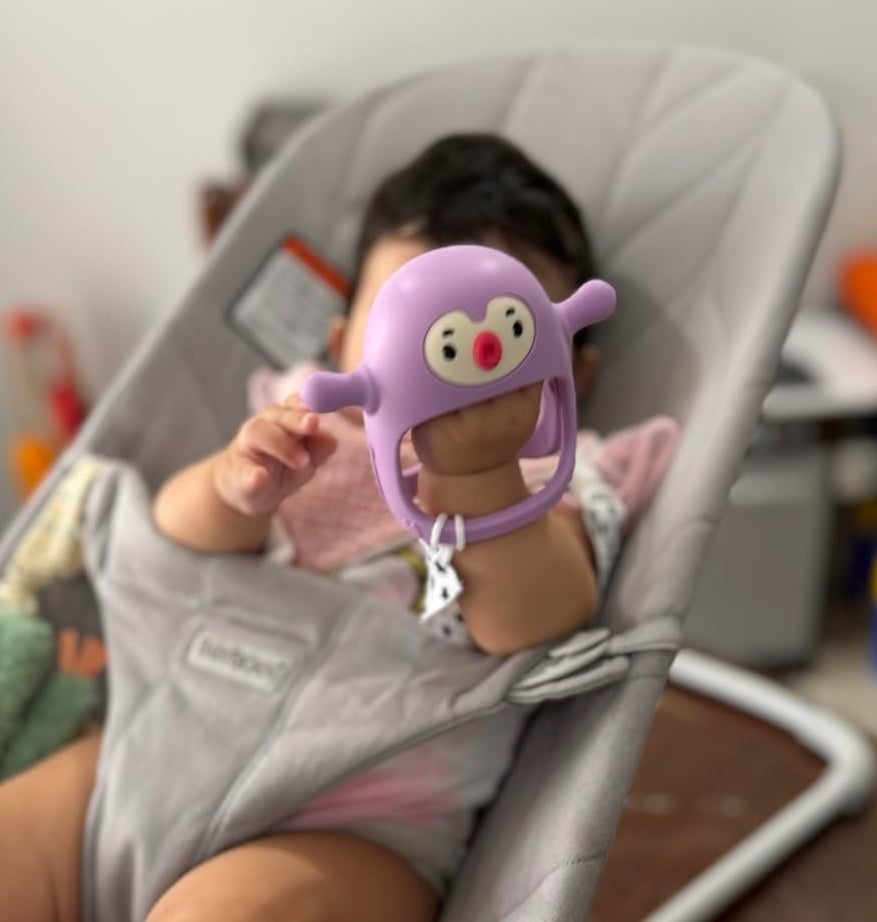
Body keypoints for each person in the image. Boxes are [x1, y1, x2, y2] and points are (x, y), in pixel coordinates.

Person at [0, 134, 674, 922]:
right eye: (408, 323)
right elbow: (178, 548)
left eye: (499, 330)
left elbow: (540, 621)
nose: (450, 361)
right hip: (146, 749)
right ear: (340, 343)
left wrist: (476, 477)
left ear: (572, 368)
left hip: (353, 812)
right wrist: (228, 491)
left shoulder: (555, 471)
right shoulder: (299, 422)